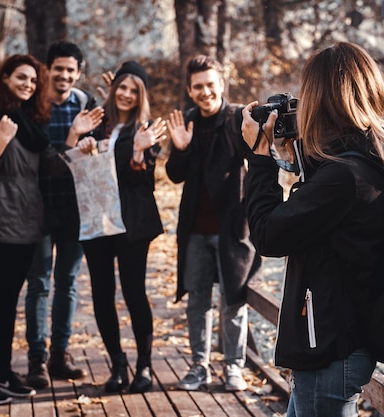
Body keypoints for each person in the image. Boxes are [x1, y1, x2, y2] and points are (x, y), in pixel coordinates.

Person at [240, 42, 384, 416]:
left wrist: (260, 156)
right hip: (343, 339)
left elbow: (268, 234)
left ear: (322, 100)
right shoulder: (376, 155)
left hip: (331, 347)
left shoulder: (344, 176)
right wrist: (300, 155)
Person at [0, 54, 70, 405]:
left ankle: (3, 372)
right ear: (5, 78)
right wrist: (1, 141)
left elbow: (48, 167)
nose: (28, 84)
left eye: (32, 80)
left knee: (8, 305)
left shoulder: (28, 122)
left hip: (28, 223)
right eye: (21, 77)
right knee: (2, 302)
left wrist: (77, 143)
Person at [165, 55, 262, 392]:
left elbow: (257, 156)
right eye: (198, 87)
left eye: (210, 84)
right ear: (190, 91)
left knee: (233, 300)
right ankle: (198, 366)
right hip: (194, 229)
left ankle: (234, 367)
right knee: (198, 302)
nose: (205, 91)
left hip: (231, 228)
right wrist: (179, 149)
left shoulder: (237, 119)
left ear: (221, 84)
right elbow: (174, 175)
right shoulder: (188, 120)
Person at [76, 60, 165, 393]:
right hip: (97, 218)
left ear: (141, 95)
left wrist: (140, 152)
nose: (126, 94)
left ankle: (144, 367)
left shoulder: (147, 128)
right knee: (101, 293)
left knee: (134, 292)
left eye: (134, 90)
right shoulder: (98, 123)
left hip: (131, 224)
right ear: (114, 89)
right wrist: (84, 148)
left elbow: (143, 182)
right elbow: (82, 170)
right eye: (122, 87)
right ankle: (117, 365)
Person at [25, 40, 104, 389]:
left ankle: (60, 353)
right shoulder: (31, 105)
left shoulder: (86, 104)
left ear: (78, 73)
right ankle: (36, 360)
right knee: (39, 283)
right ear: (47, 69)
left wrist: (93, 146)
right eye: (58, 68)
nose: (65, 75)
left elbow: (100, 152)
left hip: (75, 210)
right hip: (38, 208)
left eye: (71, 70)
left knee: (67, 283)